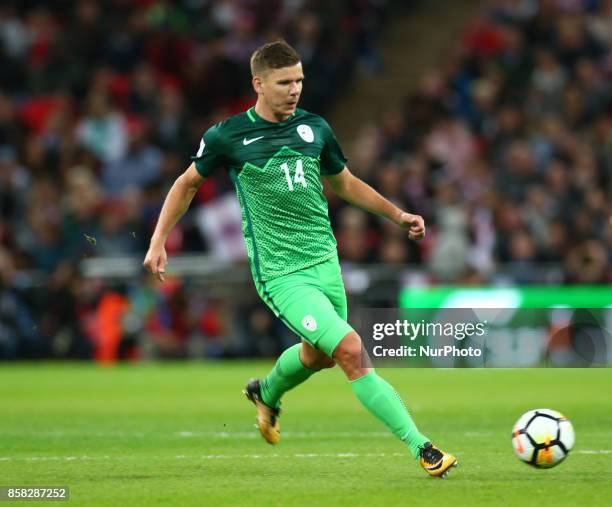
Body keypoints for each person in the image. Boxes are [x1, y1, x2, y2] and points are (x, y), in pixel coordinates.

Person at [143, 40, 457, 478]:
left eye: (299, 81)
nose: (294, 90)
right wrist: (159, 240)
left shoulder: (315, 128)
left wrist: (398, 215)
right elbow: (186, 184)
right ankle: (422, 447)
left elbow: (344, 183)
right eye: (284, 82)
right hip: (281, 274)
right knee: (350, 350)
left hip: (326, 265)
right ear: (259, 84)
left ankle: (266, 393)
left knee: (320, 356)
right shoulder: (228, 136)